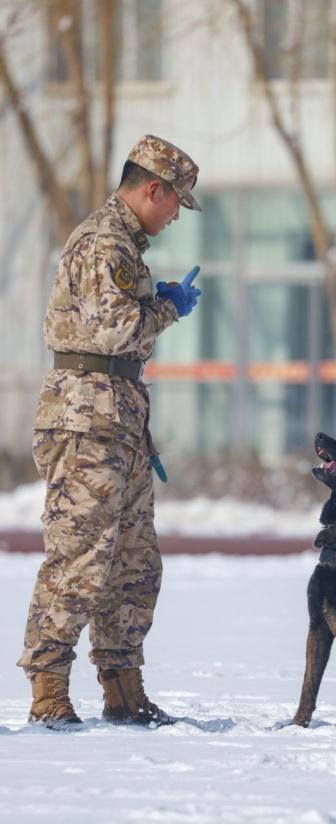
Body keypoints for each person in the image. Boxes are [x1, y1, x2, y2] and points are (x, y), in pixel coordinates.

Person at [17, 134, 202, 730]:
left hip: (118, 421)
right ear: (155, 189)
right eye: (177, 203)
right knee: (80, 560)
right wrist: (168, 306)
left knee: (134, 564)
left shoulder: (124, 244)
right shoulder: (104, 242)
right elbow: (116, 331)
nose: (177, 215)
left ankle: (124, 689)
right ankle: (48, 692)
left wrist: (159, 298)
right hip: (87, 422)